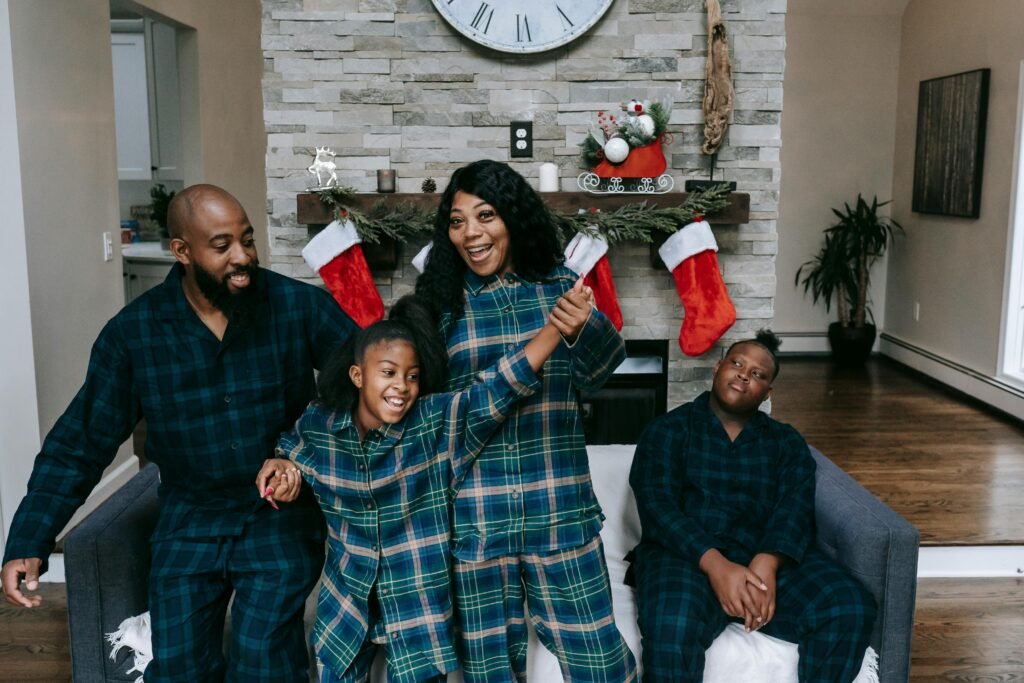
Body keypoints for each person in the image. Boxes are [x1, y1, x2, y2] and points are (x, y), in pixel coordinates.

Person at [0, 184, 358, 682]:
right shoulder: (133, 334)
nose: (242, 257)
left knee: (265, 658)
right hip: (189, 518)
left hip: (277, 515)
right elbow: (80, 444)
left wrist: (306, 454)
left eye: (247, 240)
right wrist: (29, 538)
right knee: (179, 669)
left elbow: (367, 383)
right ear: (182, 251)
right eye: (222, 246)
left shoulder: (297, 306)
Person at [256, 292, 581, 682]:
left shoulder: (434, 422)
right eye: (389, 372)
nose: (402, 386)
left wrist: (555, 328)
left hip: (418, 613)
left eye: (412, 375)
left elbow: (498, 387)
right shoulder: (320, 424)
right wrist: (281, 465)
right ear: (358, 376)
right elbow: (290, 446)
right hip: (347, 607)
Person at [415, 160, 637, 682]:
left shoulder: (561, 286)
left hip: (559, 513)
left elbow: (600, 374)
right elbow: (446, 420)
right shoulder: (439, 306)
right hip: (476, 524)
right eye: (456, 220)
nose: (470, 233)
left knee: (603, 666)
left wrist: (587, 327)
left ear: (512, 218)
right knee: (488, 673)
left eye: (485, 215)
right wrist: (538, 349)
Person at [627, 330, 877, 682]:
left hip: (763, 561)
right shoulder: (667, 430)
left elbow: (795, 508)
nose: (745, 374)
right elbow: (658, 508)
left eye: (758, 374)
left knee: (849, 605)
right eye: (737, 363)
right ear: (717, 369)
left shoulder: (786, 441)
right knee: (673, 623)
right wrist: (717, 566)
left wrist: (767, 564)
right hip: (687, 559)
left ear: (768, 393)